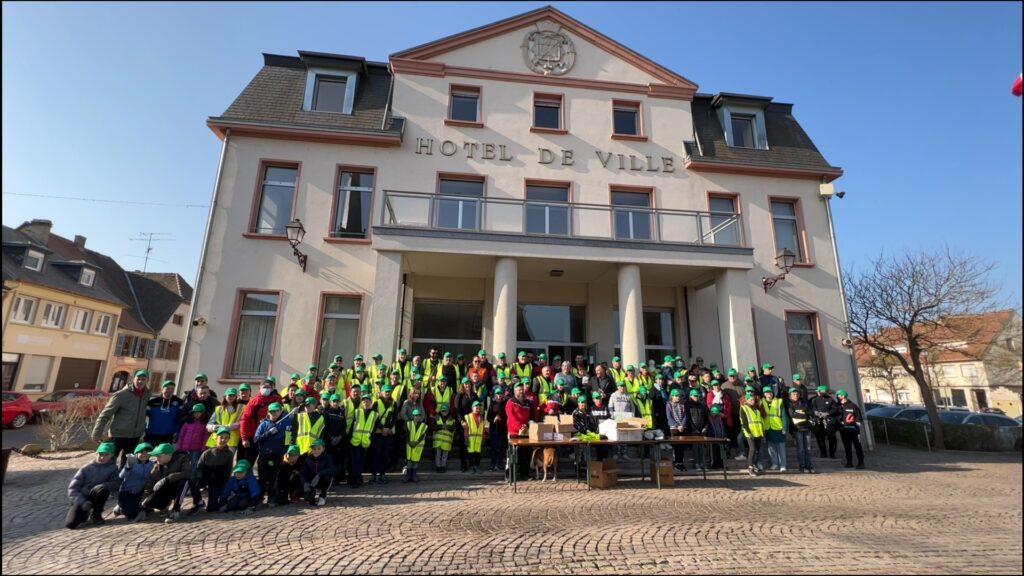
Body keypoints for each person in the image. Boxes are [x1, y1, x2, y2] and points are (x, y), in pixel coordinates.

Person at [92, 369, 152, 467]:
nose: (140, 381)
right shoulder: (121, 395)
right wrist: (97, 433)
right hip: (118, 435)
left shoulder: (147, 395)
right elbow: (105, 414)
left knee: (128, 463)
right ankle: (107, 480)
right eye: (138, 379)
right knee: (109, 462)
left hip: (134, 436)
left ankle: (122, 480)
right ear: (133, 379)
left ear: (147, 381)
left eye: (143, 379)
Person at [252, 401, 300, 506]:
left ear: (281, 411)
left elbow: (288, 438)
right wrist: (268, 433)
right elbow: (256, 439)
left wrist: (286, 449)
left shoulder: (285, 422)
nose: (274, 414)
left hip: (277, 454)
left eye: (276, 411)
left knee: (274, 478)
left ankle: (271, 498)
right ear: (268, 412)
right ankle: (260, 498)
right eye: (272, 412)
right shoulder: (264, 423)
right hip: (264, 454)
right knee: (263, 478)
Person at [65, 442, 120, 529]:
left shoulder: (113, 468)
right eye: (100, 454)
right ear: (96, 453)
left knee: (103, 489)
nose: (102, 457)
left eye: (106, 455)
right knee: (71, 524)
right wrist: (82, 502)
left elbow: (116, 483)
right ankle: (84, 513)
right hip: (82, 499)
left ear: (111, 455)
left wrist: (105, 485)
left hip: (97, 495)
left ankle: (96, 514)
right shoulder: (86, 468)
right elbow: (73, 488)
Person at [141, 443, 192, 523]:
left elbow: (187, 474)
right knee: (148, 502)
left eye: (159, 456)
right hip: (167, 490)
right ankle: (163, 507)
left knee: (184, 481)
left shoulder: (183, 459)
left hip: (181, 488)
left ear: (168, 455)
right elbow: (150, 482)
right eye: (156, 456)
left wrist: (168, 478)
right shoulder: (157, 465)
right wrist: (145, 500)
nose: (157, 458)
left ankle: (176, 510)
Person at [239, 377, 283, 466]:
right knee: (249, 462)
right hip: (254, 436)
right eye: (264, 387)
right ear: (259, 388)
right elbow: (245, 419)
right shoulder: (253, 401)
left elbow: (282, 416)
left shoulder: (277, 399)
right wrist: (244, 438)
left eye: (268, 387)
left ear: (272, 389)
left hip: (271, 436)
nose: (266, 389)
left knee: (266, 463)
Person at [176, 403, 208, 512]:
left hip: (196, 449)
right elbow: (181, 435)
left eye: (199, 412)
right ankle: (183, 484)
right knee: (184, 467)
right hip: (185, 448)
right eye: (195, 412)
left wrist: (203, 447)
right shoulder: (187, 423)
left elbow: (205, 437)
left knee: (194, 466)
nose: (197, 414)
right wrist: (179, 446)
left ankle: (191, 485)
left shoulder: (204, 424)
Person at [196, 427, 236, 512]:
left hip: (218, 481)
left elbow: (228, 470)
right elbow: (199, 467)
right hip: (205, 478)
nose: (223, 440)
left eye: (226, 438)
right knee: (194, 487)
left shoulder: (229, 454)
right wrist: (200, 478)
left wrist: (225, 482)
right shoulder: (208, 453)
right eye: (221, 437)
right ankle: (199, 503)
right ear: (216, 438)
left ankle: (224, 501)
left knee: (212, 508)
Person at [116, 442, 154, 522]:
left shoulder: (152, 464)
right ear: (136, 453)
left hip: (142, 491)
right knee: (132, 515)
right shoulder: (131, 462)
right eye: (141, 452)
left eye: (147, 452)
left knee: (144, 508)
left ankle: (143, 508)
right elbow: (121, 476)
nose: (144, 454)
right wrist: (128, 467)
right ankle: (120, 506)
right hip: (127, 491)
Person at [505, 381, 534, 480]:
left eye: (522, 389)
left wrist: (528, 425)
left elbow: (531, 416)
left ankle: (525, 474)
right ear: (514, 391)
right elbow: (511, 418)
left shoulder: (528, 402)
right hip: (514, 432)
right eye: (519, 390)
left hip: (525, 433)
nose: (521, 391)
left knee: (526, 455)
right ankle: (509, 475)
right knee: (512, 455)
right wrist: (520, 427)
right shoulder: (510, 402)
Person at [348, 395, 377, 488]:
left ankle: (358, 477)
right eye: (364, 401)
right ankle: (355, 479)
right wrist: (349, 438)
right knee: (355, 460)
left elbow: (373, 429)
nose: (365, 402)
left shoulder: (375, 414)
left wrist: (370, 440)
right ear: (361, 403)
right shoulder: (357, 412)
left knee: (360, 461)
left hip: (365, 441)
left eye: (367, 401)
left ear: (371, 403)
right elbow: (352, 425)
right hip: (355, 440)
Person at [370, 385, 398, 483]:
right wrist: (382, 428)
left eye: (389, 391)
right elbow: (373, 417)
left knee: (385, 454)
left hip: (388, 433)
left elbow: (395, 418)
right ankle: (373, 474)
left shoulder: (394, 403)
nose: (387, 393)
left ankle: (382, 474)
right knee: (376, 454)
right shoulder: (376, 403)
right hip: (378, 433)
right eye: (385, 391)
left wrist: (388, 428)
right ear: (381, 392)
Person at [786, 387, 816, 474]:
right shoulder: (789, 403)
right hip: (797, 428)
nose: (796, 396)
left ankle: (809, 466)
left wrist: (801, 412)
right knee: (801, 449)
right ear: (790, 395)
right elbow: (792, 414)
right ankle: (802, 466)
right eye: (794, 394)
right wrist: (803, 413)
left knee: (807, 448)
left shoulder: (803, 402)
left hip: (806, 427)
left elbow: (810, 413)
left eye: (797, 394)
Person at [145, 380, 183, 446]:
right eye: (167, 388)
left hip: (169, 434)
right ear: (162, 389)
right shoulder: (152, 402)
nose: (170, 391)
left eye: (172, 389)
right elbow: (144, 416)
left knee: (165, 455)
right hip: (152, 433)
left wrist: (178, 432)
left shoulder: (179, 402)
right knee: (151, 454)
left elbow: (180, 418)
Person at [300, 439, 337, 505]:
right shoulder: (307, 459)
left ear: (323, 449)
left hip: (322, 480)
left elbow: (332, 469)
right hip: (311, 482)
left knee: (328, 475)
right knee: (304, 495)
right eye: (314, 449)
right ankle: (311, 494)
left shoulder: (328, 457)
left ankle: (323, 495)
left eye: (319, 448)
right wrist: (305, 483)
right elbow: (302, 473)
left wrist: (319, 475)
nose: (316, 451)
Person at [205, 387, 242, 452]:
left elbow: (242, 422)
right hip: (217, 439)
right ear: (225, 396)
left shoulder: (241, 407)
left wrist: (230, 426)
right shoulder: (218, 408)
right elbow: (209, 424)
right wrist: (213, 427)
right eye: (229, 395)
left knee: (227, 460)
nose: (231, 397)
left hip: (231, 440)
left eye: (233, 395)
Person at [836, 390, 866, 469]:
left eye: (838, 395)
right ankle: (849, 462)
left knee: (857, 446)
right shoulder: (837, 406)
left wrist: (857, 426)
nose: (837, 397)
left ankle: (861, 463)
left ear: (843, 396)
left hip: (853, 430)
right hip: (843, 429)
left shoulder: (852, 405)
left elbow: (858, 417)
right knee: (847, 446)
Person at [761, 387, 787, 472]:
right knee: (771, 448)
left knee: (781, 448)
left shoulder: (779, 401)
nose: (769, 394)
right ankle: (775, 464)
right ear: (764, 394)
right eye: (767, 392)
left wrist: (784, 427)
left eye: (770, 392)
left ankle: (783, 465)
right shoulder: (761, 402)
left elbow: (783, 415)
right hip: (768, 428)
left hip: (778, 427)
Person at [810, 385, 840, 459]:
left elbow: (835, 410)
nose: (823, 392)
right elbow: (812, 409)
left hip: (829, 421)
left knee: (832, 438)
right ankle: (823, 453)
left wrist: (827, 413)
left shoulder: (831, 400)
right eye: (821, 391)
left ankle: (832, 454)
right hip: (819, 421)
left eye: (824, 391)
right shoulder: (815, 400)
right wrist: (816, 412)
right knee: (820, 438)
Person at [739, 393, 765, 477]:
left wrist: (762, 432)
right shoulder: (744, 408)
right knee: (752, 449)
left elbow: (760, 421)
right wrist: (748, 432)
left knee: (757, 450)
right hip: (750, 432)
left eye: (753, 399)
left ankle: (754, 466)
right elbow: (744, 422)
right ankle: (750, 468)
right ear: (746, 400)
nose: (753, 401)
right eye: (751, 400)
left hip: (758, 432)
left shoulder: (756, 409)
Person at [485, 387, 507, 471]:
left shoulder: (505, 404)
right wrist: (494, 419)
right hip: (493, 429)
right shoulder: (492, 404)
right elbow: (488, 417)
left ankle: (499, 464)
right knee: (493, 448)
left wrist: (501, 419)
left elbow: (507, 416)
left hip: (502, 429)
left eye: (500, 394)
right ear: (495, 395)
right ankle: (493, 464)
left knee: (500, 448)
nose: (499, 396)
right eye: (497, 394)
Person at [665, 389, 688, 470]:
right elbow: (669, 417)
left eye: (678, 396)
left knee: (681, 446)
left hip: (682, 428)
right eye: (676, 396)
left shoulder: (682, 405)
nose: (678, 397)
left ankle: (681, 462)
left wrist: (682, 425)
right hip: (674, 428)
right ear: (672, 396)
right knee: (676, 446)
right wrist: (677, 425)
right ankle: (676, 463)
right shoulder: (668, 405)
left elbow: (685, 416)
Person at [404, 408, 428, 483]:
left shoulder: (424, 425)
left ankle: (414, 476)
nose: (417, 417)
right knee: (409, 462)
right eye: (415, 415)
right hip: (409, 446)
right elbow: (406, 434)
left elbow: (422, 436)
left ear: (420, 416)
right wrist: (409, 441)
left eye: (418, 415)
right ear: (413, 416)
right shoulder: (408, 423)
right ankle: (408, 476)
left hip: (418, 446)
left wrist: (416, 442)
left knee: (415, 462)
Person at [463, 400, 486, 474]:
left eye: (479, 407)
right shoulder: (467, 417)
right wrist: (466, 438)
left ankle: (476, 467)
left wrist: (484, 437)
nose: (478, 408)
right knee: (470, 454)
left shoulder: (482, 417)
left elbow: (483, 429)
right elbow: (466, 429)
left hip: (479, 439)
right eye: (476, 407)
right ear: (472, 408)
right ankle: (471, 468)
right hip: (470, 439)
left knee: (477, 454)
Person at [433, 402, 456, 473]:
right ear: (440, 411)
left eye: (445, 410)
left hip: (446, 442)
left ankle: (443, 466)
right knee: (438, 455)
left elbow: (453, 429)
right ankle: (438, 467)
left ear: (448, 411)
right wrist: (441, 426)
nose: (444, 412)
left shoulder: (452, 419)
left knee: (444, 456)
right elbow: (434, 428)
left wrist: (447, 427)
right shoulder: (436, 418)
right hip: (438, 441)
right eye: (443, 410)